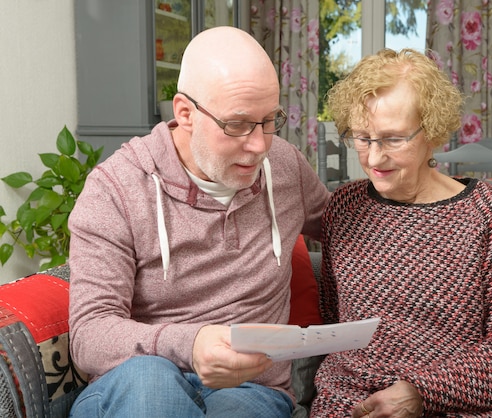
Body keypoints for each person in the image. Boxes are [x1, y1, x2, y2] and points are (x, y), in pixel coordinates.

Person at [68, 26, 330, 417]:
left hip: (250, 388)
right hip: (133, 384)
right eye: (238, 124)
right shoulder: (115, 189)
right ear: (185, 114)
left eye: (270, 120)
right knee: (150, 384)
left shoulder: (286, 167)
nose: (260, 145)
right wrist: (190, 344)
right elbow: (90, 335)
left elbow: (354, 226)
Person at [310, 48, 492, 417]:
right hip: (355, 400)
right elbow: (333, 320)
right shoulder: (343, 207)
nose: (373, 159)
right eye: (362, 138)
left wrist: (421, 393)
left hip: (468, 403)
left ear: (432, 132)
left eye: (393, 139)